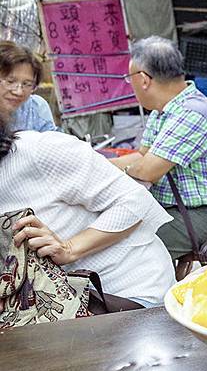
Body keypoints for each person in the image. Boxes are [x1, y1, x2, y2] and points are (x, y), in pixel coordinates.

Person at [0, 118, 176, 307]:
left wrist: (69, 248)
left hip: (126, 294)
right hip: (56, 306)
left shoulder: (37, 151)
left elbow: (134, 200)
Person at [110, 36, 207, 271]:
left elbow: (147, 171)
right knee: (112, 227)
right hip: (174, 207)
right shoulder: (164, 109)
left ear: (143, 79)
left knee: (125, 247)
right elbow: (142, 155)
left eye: (129, 78)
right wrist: (99, 163)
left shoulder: (191, 113)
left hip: (202, 214)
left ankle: (148, 304)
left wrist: (119, 169)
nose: (130, 84)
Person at [0, 40, 57, 132]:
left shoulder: (35, 108)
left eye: (27, 84)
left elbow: (52, 141)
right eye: (10, 82)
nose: (18, 92)